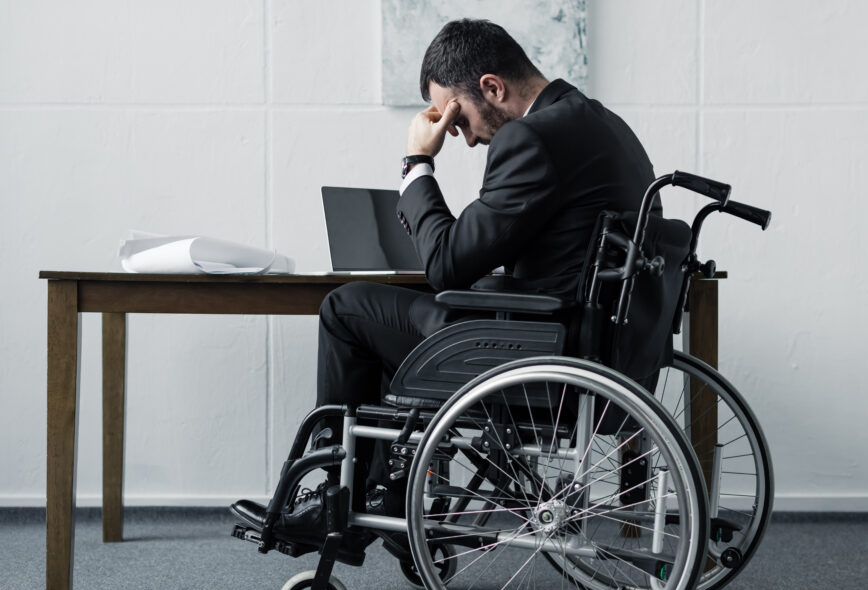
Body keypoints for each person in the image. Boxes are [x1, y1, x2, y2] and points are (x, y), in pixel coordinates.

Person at [231, 19, 659, 550]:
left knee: (346, 310)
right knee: (394, 326)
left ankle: (341, 502)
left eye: (457, 119)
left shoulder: (530, 137)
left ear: (492, 88)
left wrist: (417, 164)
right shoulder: (602, 123)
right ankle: (385, 495)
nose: (465, 137)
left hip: (536, 351)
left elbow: (445, 264)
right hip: (587, 341)